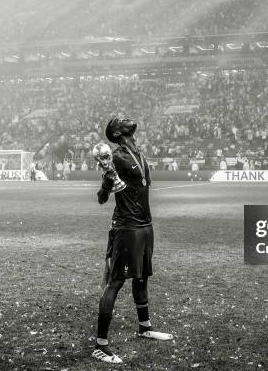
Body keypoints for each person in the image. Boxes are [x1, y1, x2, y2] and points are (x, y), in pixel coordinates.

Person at [91, 117, 172, 364]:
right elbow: (102, 198)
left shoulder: (138, 152)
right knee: (116, 282)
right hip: (127, 227)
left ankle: (145, 327)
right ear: (116, 132)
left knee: (141, 276)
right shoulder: (115, 157)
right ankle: (100, 345)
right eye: (120, 120)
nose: (126, 119)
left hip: (145, 225)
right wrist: (106, 184)